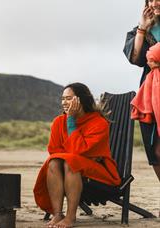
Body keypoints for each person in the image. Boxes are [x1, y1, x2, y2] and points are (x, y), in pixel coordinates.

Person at [33, 83, 121, 228]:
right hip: (73, 166)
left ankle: (70, 216)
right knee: (54, 161)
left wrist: (71, 122)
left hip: (100, 173)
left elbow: (78, 151)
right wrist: (74, 154)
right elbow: (54, 151)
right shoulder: (58, 122)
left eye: (69, 98)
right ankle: (57, 214)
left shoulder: (99, 123)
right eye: (62, 99)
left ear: (81, 100)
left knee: (70, 162)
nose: (64, 103)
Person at [123, 0, 160, 183]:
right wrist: (142, 29)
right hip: (150, 95)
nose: (156, 3)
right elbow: (135, 58)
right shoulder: (142, 30)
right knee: (155, 150)